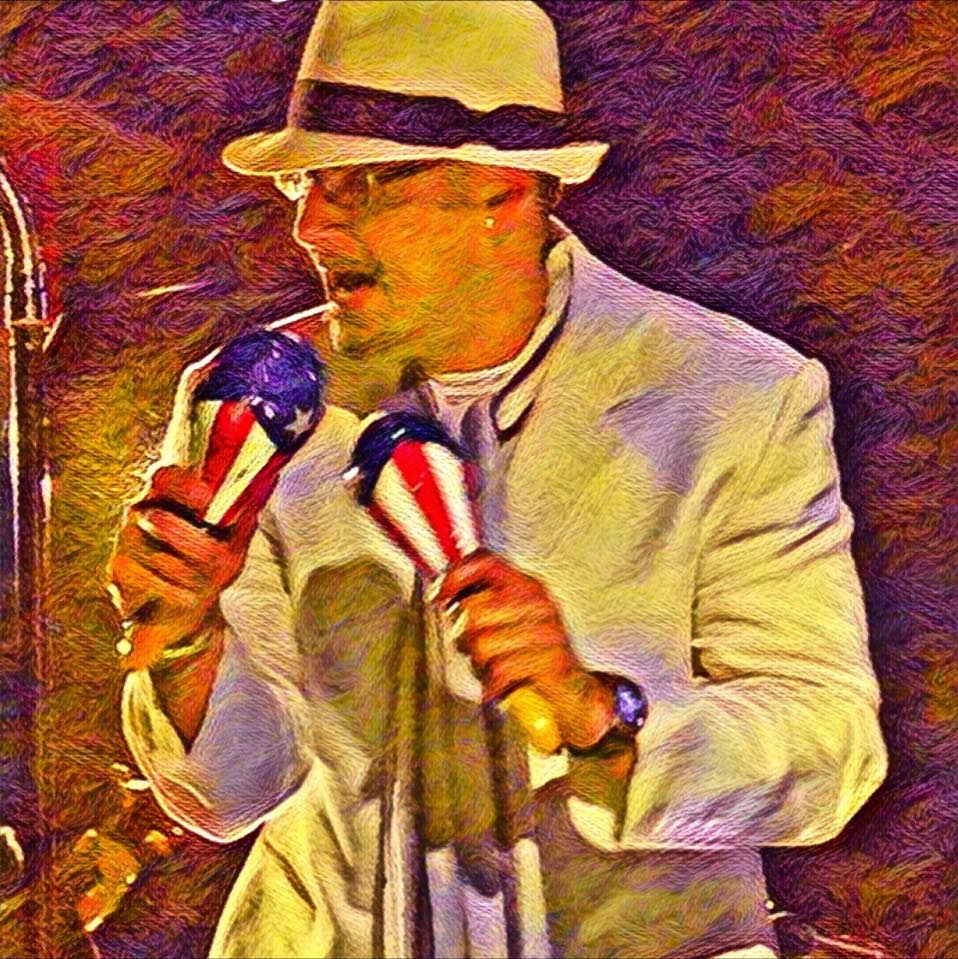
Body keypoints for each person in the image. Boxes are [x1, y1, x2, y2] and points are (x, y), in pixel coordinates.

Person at [108, 2, 888, 958]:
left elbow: (829, 746)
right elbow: (228, 796)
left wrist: (600, 715)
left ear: (502, 195)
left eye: (363, 185)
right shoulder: (257, 400)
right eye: (307, 185)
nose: (310, 227)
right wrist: (184, 635)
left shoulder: (733, 394)